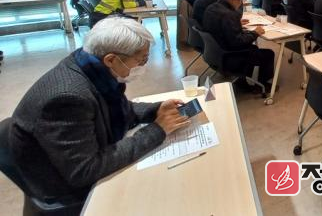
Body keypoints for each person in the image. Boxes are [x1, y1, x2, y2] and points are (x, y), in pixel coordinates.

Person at [8, 17, 189, 208]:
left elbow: (114, 108)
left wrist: (155, 109)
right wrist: (157, 130)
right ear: (111, 59)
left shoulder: (88, 65)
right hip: (66, 189)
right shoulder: (67, 99)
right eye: (141, 60)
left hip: (80, 160)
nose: (143, 65)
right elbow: (85, 170)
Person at [202, 0, 275, 90]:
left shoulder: (212, 7)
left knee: (252, 47)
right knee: (268, 54)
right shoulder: (229, 14)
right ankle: (262, 85)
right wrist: (255, 33)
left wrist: (236, 23)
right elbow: (238, 42)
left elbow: (221, 26)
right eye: (241, 0)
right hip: (230, 56)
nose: (241, 4)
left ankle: (242, 80)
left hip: (214, 53)